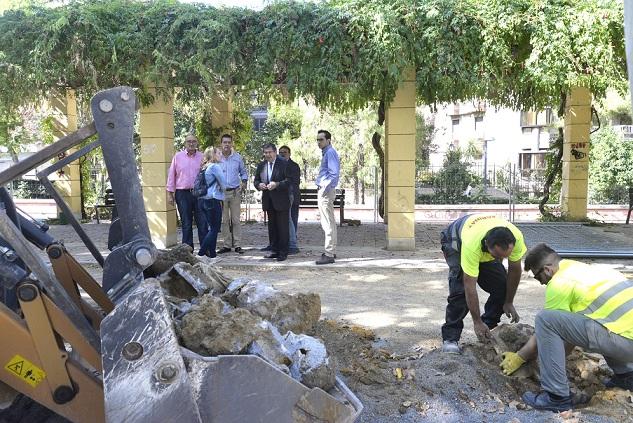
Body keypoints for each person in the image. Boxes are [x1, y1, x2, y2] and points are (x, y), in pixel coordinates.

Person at [499, 243, 633, 412]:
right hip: (627, 338)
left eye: (538, 277)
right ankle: (627, 376)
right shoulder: (595, 271)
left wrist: (520, 357)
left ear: (547, 270)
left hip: (627, 343)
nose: (541, 283)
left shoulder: (560, 282)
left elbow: (549, 327)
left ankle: (557, 397)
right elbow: (569, 331)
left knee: (545, 319)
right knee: (605, 319)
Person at [440, 214, 526, 354]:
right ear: (487, 244)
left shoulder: (516, 238)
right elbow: (470, 286)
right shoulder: (472, 245)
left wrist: (509, 301)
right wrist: (476, 321)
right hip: (455, 242)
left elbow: (515, 270)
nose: (501, 260)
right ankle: (451, 338)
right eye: (498, 256)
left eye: (505, 257)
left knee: (502, 286)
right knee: (460, 292)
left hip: (483, 241)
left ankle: (488, 327)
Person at [166, 134, 207, 250]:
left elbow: (208, 175)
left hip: (199, 194)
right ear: (185, 143)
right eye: (189, 141)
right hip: (182, 194)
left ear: (197, 143)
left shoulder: (202, 157)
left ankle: (205, 250)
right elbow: (171, 176)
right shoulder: (178, 157)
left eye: (194, 141)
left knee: (202, 222)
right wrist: (170, 194)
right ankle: (187, 250)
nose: (191, 143)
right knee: (186, 223)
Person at [254, 143, 290, 262]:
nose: (268, 155)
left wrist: (277, 185)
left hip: (281, 200)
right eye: (265, 152)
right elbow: (256, 180)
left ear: (275, 152)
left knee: (282, 227)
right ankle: (274, 249)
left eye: (270, 152)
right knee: (272, 227)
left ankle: (283, 252)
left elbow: (290, 181)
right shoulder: (262, 165)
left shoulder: (284, 164)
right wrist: (259, 185)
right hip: (268, 200)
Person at [217, 134, 248, 254]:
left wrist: (244, 182)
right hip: (221, 193)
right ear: (221, 144)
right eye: (224, 142)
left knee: (235, 220)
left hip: (235, 192)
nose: (227, 144)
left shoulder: (237, 157)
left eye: (229, 142)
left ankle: (237, 244)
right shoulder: (217, 158)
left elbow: (243, 172)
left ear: (232, 144)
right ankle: (226, 245)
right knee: (224, 220)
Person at [315, 130, 340, 265]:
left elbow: (334, 174)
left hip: (326, 191)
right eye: (318, 140)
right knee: (329, 222)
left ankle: (329, 253)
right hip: (326, 191)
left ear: (328, 140)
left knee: (327, 223)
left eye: (321, 140)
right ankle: (331, 251)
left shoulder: (330, 152)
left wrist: (324, 188)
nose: (319, 142)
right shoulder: (327, 153)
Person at [198, 147, 226, 258]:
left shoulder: (204, 167)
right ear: (213, 155)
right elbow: (224, 184)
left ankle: (213, 255)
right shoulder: (215, 167)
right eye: (219, 153)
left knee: (211, 228)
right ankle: (201, 253)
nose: (221, 155)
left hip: (203, 200)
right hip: (213, 200)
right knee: (215, 228)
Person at [279, 145, 301, 254]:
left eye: (285, 152)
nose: (282, 154)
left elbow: (295, 181)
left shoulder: (294, 166)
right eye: (281, 152)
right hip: (282, 196)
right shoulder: (277, 165)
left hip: (292, 195)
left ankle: (293, 243)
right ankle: (286, 242)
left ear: (289, 153)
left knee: (292, 219)